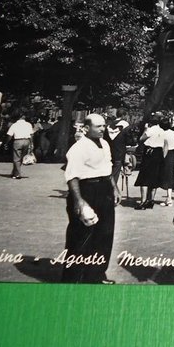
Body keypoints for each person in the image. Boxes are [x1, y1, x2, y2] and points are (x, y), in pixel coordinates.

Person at [61, 114, 120, 284]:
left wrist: (114, 188)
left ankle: (96, 275)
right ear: (86, 129)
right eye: (98, 126)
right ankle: (73, 279)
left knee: (104, 234)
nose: (103, 129)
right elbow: (72, 176)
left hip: (104, 191)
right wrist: (79, 201)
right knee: (81, 237)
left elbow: (107, 168)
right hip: (86, 190)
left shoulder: (105, 144)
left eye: (104, 125)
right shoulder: (78, 148)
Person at [134, 113, 165, 209]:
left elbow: (141, 139)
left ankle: (143, 201)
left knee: (144, 177)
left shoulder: (150, 130)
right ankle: (151, 200)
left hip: (149, 152)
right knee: (154, 177)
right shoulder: (162, 131)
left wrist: (145, 129)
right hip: (158, 153)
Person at [103, 108, 132, 190]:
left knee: (108, 172)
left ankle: (107, 190)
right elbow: (129, 140)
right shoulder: (126, 125)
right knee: (115, 174)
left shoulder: (109, 125)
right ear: (124, 115)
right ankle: (111, 192)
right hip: (120, 153)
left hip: (109, 152)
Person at [5, 113, 33, 179]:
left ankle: (18, 174)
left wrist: (6, 143)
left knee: (16, 158)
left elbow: (9, 135)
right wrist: (31, 143)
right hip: (26, 141)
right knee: (21, 157)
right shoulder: (28, 124)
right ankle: (14, 172)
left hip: (18, 141)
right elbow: (31, 135)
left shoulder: (14, 125)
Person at [160, 117, 174, 207]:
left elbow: (164, 146)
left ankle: (169, 199)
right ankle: (169, 197)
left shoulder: (162, 134)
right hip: (173, 153)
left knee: (165, 176)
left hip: (165, 153)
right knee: (170, 175)